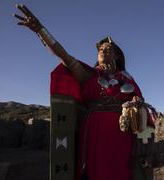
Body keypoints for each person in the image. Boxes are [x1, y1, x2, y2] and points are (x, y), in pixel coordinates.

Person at [14, 4, 148, 180]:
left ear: (116, 55)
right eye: (100, 49)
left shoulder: (128, 79)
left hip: (122, 135)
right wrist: (40, 30)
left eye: (108, 49)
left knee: (120, 172)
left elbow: (141, 103)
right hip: (95, 132)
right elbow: (64, 56)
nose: (103, 50)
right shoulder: (88, 74)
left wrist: (138, 101)